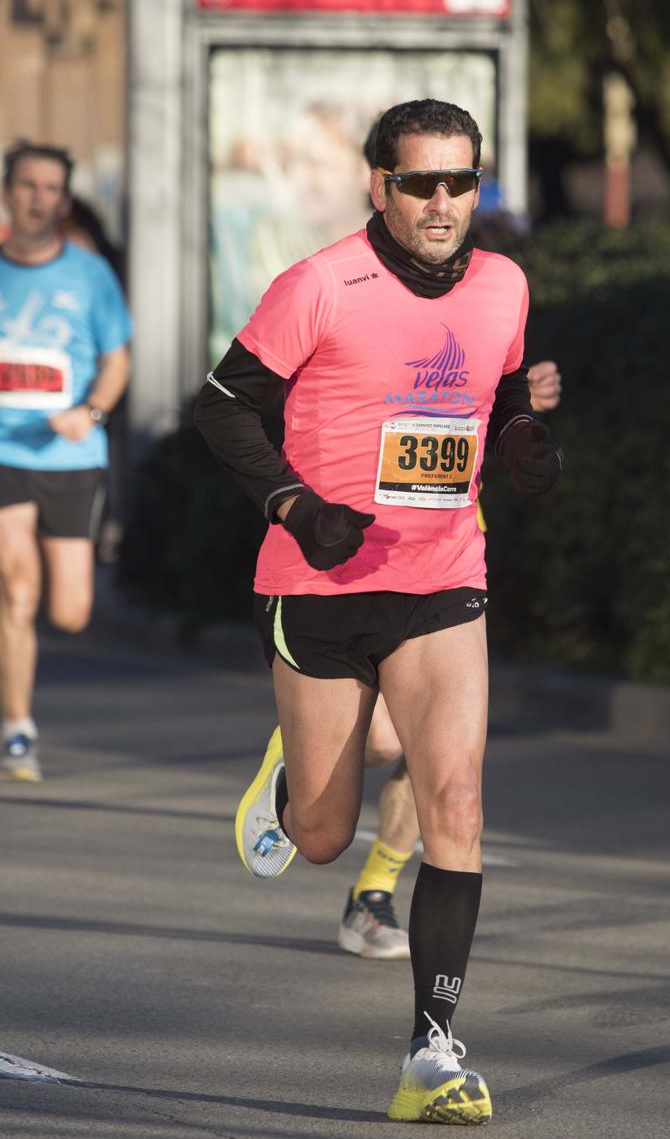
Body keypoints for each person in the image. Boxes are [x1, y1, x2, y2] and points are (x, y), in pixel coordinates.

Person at [193, 99, 563, 1125]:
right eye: (420, 183)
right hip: (319, 579)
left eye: (460, 182)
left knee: (456, 801)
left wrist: (528, 444)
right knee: (319, 835)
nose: (443, 203)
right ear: (379, 186)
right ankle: (287, 787)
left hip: (443, 576)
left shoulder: (503, 286)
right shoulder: (320, 284)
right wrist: (293, 505)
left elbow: (496, 421)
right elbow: (218, 403)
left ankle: (433, 1048)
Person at [0, 142, 132, 783]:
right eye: (28, 186)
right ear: (6, 193)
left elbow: (116, 361)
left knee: (69, 611)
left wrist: (89, 412)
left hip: (70, 451)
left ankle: (22, 714)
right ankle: (17, 733)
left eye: (51, 190)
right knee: (16, 587)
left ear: (64, 202)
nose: (39, 199)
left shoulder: (92, 275)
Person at [336, 357, 561, 962]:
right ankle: (300, 742)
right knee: (381, 743)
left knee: (434, 748)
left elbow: (467, 427)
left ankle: (372, 894)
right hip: (363, 556)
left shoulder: (480, 321)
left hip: (452, 558)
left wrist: (517, 407)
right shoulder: (366, 312)